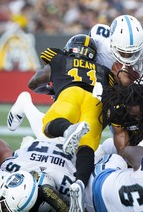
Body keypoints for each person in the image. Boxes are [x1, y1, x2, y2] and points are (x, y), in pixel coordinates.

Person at [27, 33, 114, 212]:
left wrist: (52, 83)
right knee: (87, 147)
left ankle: (68, 130)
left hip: (71, 93)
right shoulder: (105, 72)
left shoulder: (60, 59)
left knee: (49, 125)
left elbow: (34, 83)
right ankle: (80, 183)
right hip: (96, 103)